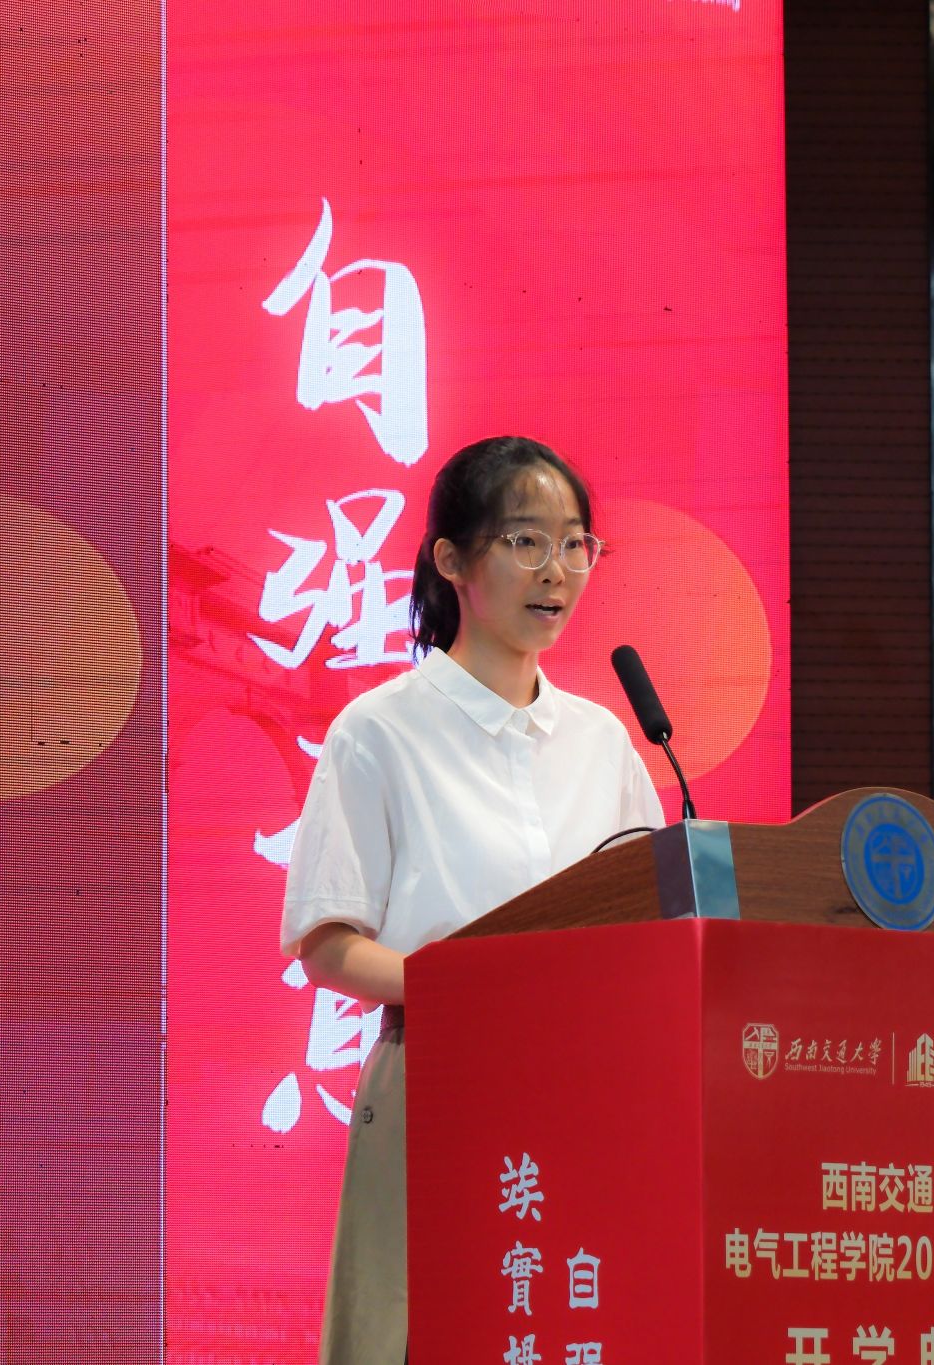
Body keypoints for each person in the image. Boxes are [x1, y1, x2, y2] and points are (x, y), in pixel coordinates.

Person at [280, 434, 667, 1365]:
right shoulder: (379, 731)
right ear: (452, 559)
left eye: (575, 544)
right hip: (440, 1076)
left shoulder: (604, 740)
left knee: (573, 1326)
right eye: (525, 541)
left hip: (586, 1087)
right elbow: (328, 942)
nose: (557, 570)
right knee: (425, 1329)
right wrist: (473, 989)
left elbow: (655, 921)